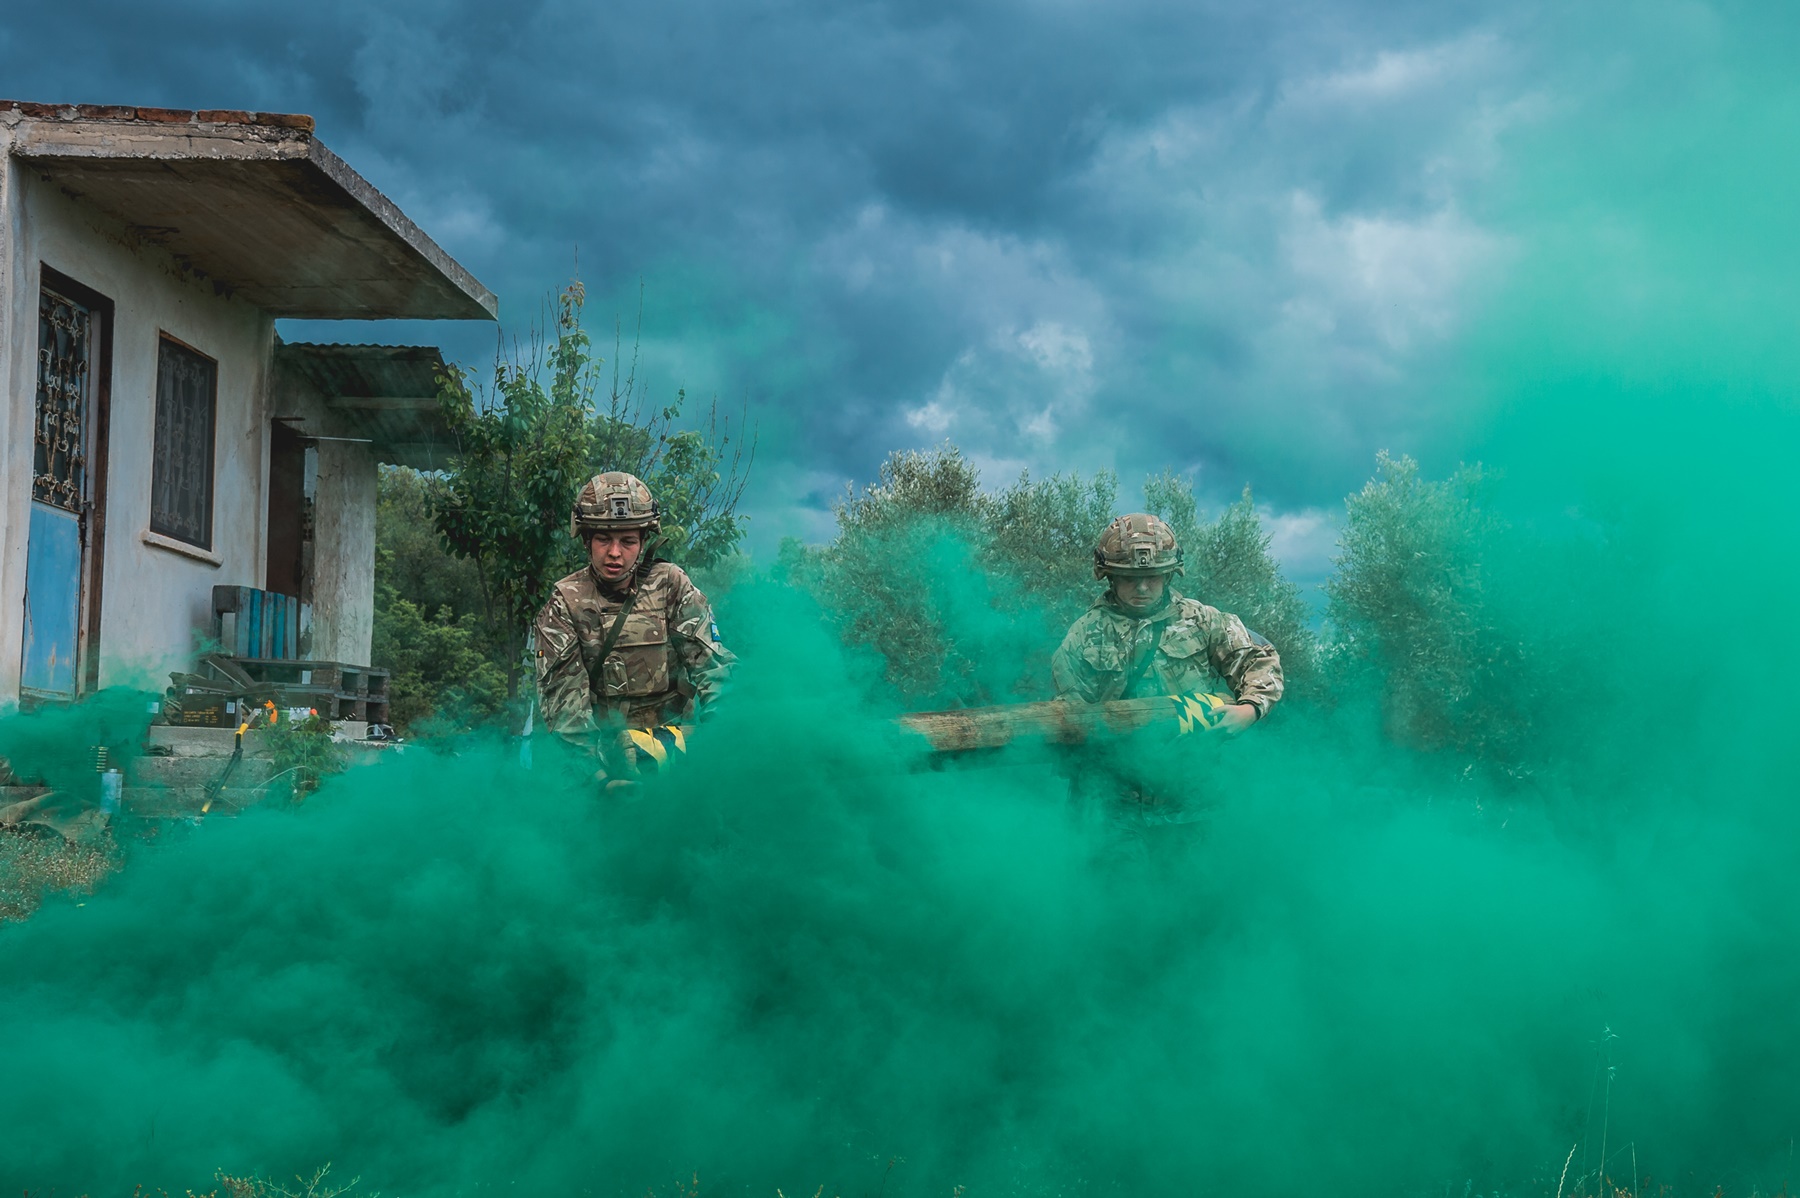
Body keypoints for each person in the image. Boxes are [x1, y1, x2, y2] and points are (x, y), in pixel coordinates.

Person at [1050, 512, 1283, 847]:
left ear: (1171, 574)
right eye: (1131, 578)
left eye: (1154, 576)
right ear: (1110, 576)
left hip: (1189, 801)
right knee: (1111, 897)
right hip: (1110, 808)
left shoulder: (1203, 621)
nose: (1143, 587)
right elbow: (1070, 716)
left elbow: (1258, 658)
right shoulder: (1085, 634)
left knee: (1191, 896)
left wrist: (1248, 709)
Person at [533, 472, 733, 779]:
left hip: (679, 749)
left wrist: (726, 739)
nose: (615, 553)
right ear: (587, 540)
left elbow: (713, 666)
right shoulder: (566, 603)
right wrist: (595, 779)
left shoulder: (670, 584)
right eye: (603, 539)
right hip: (607, 758)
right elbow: (566, 708)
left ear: (642, 542)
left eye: (627, 541)